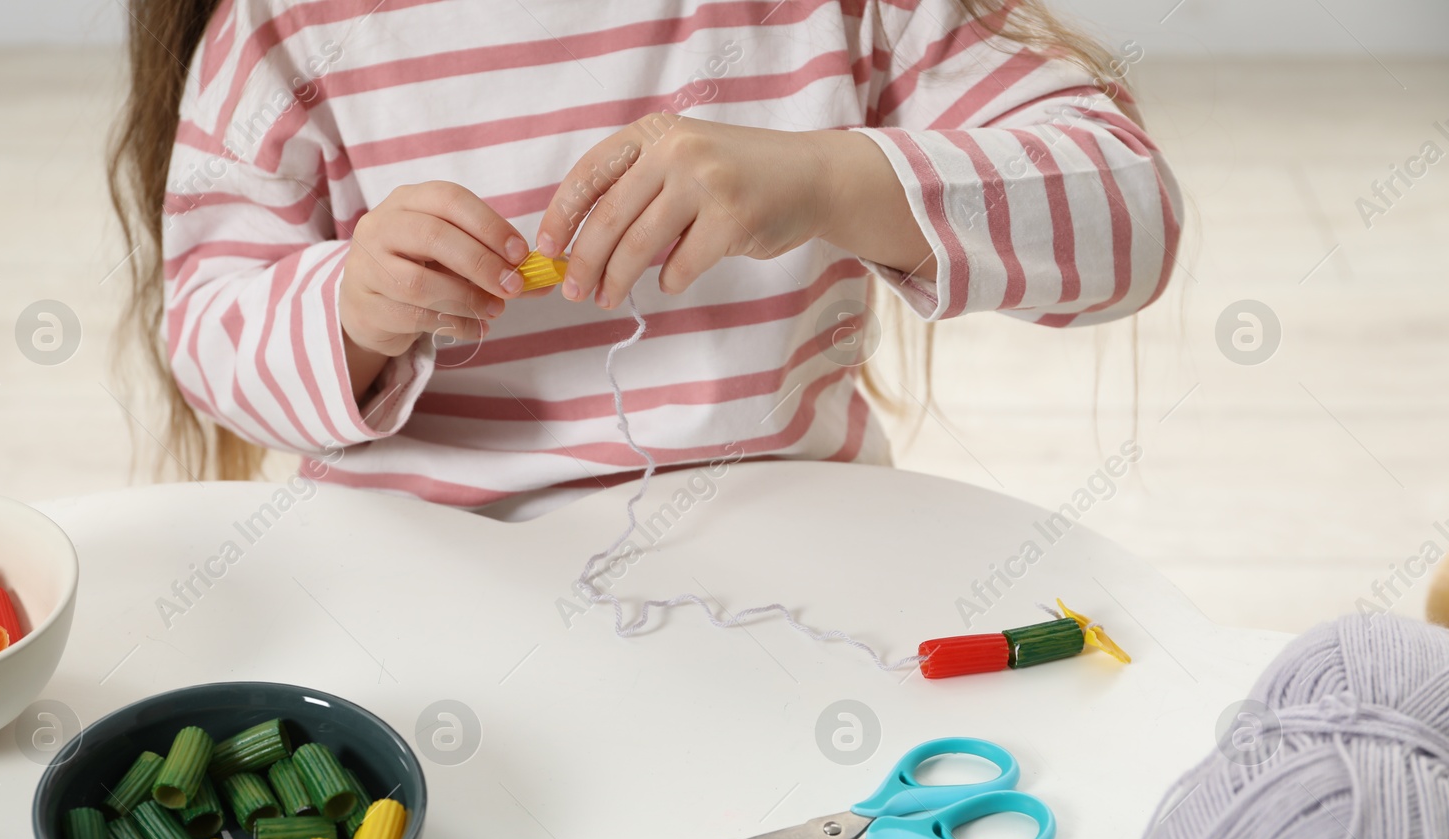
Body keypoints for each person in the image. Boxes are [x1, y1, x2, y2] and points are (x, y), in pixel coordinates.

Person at [111, 0, 1178, 519]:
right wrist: (349, 310)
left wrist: (826, 179)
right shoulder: (288, 24)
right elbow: (206, 323)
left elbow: (1130, 215)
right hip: (423, 569)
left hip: (797, 545)